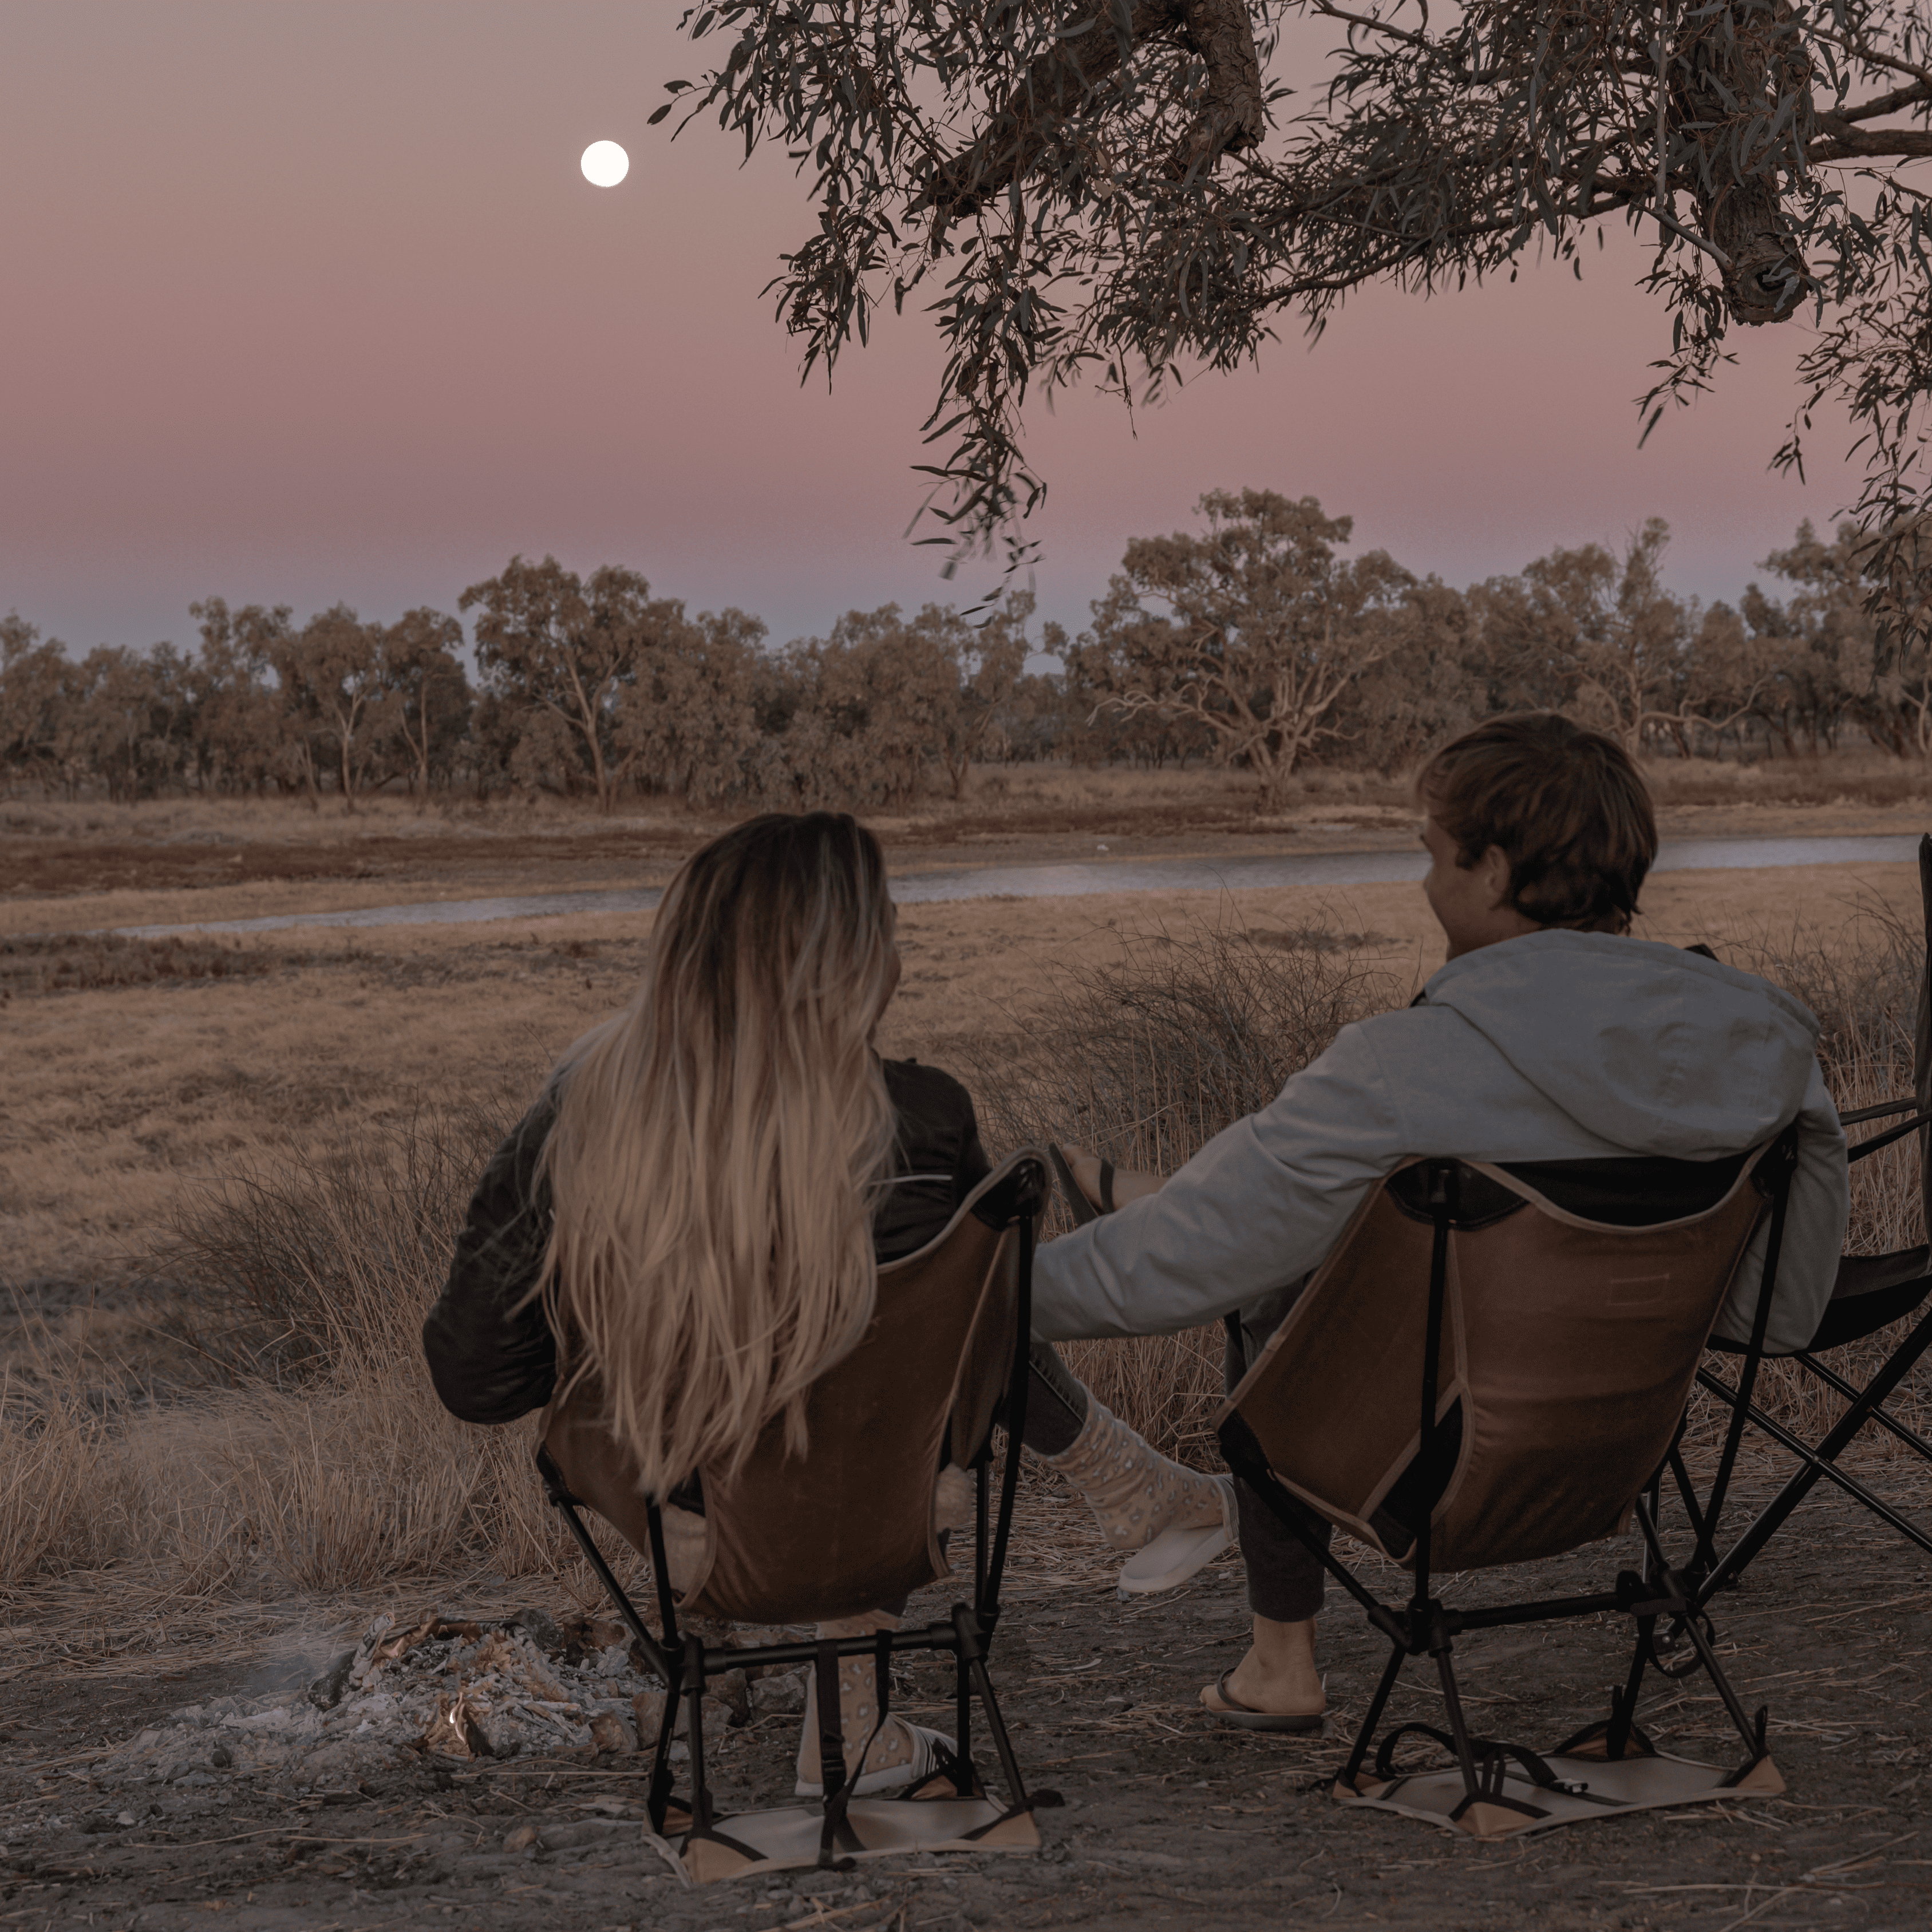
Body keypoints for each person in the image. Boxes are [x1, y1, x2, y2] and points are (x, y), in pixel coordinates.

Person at [1046, 714, 1848, 1731]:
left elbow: (1172, 1265)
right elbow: (1781, 1313)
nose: (1423, 885)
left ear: (1493, 870)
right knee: (1343, 1231)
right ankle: (1213, 1196)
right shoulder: (1768, 1046)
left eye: (1432, 856)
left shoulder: (1403, 1062)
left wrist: (987, 1292)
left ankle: (1279, 1662)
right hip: (1621, 1460)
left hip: (1421, 1479)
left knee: (1265, 1280)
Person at [422, 811, 1231, 1795]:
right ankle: (1110, 1490)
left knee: (877, 1333)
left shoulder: (578, 1118)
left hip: (691, 1534)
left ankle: (860, 1724)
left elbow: (477, 1379)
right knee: (914, 1323)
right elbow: (979, 1332)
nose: (897, 955)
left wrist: (633, 1320)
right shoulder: (929, 1118)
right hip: (884, 1517)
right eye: (884, 929)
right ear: (845, 962)